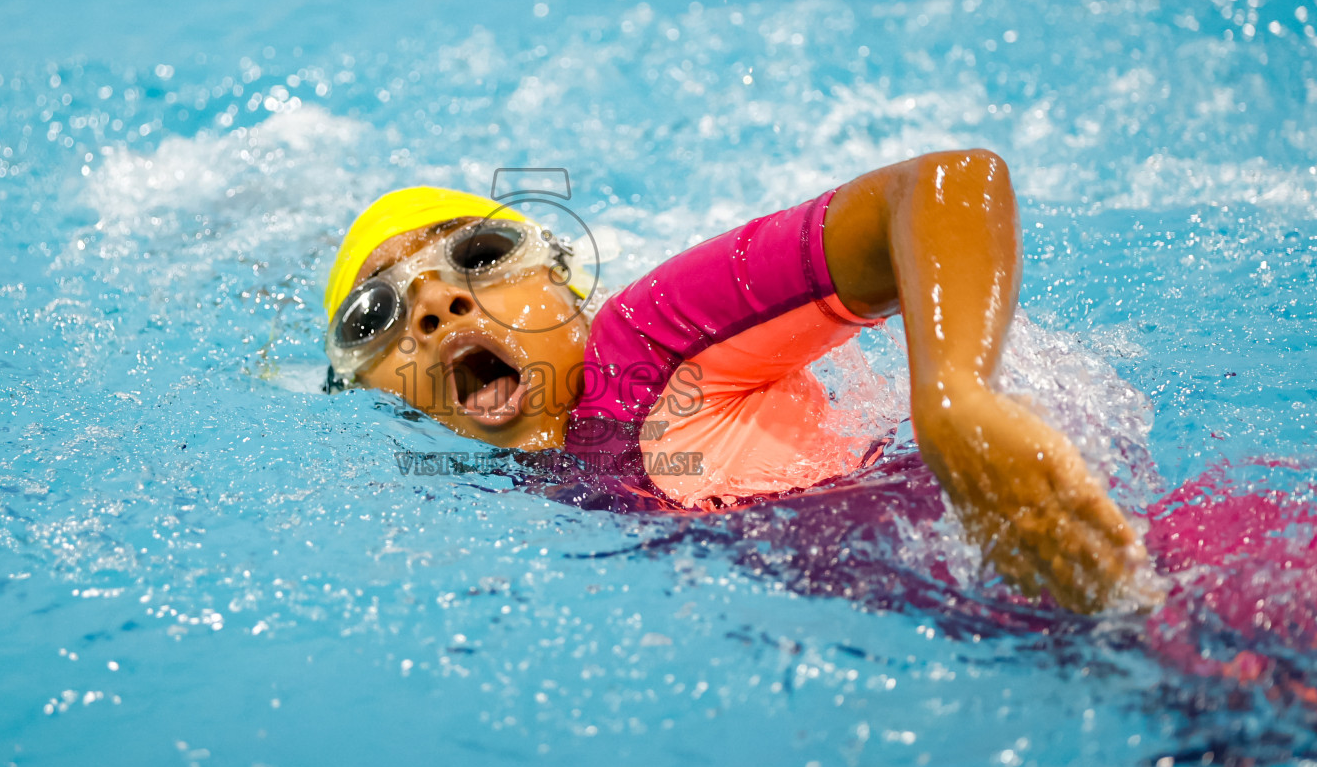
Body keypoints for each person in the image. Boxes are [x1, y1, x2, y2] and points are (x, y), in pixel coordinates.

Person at [321, 150, 1152, 614]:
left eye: (478, 254)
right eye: (375, 315)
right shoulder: (510, 502)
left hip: (1153, 573)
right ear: (373, 392)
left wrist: (957, 399)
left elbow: (946, 186)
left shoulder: (645, 347)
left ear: (564, 279)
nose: (435, 301)